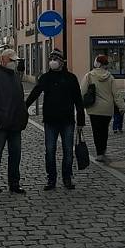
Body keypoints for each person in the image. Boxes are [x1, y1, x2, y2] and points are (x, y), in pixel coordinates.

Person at [26, 49, 84, 190]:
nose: (52, 61)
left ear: (62, 62)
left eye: (55, 59)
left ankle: (67, 177)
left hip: (67, 121)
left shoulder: (71, 78)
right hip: (50, 120)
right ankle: (51, 179)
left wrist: (81, 121)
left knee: (68, 151)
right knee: (50, 150)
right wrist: (24, 106)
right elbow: (35, 92)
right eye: (51, 58)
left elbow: (78, 100)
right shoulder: (46, 78)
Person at [0, 49, 29, 194]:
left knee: (16, 154)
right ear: (3, 60)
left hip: (15, 124)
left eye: (15, 61)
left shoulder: (15, 77)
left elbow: (20, 99)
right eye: (12, 60)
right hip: (1, 124)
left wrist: (23, 115)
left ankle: (14, 183)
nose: (14, 63)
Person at [80, 54, 115, 161]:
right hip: (108, 109)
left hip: (94, 108)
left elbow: (82, 91)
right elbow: (116, 94)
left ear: (96, 63)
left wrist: (79, 105)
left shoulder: (89, 76)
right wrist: (122, 107)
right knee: (104, 130)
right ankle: (103, 150)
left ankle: (99, 153)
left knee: (96, 131)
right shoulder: (110, 77)